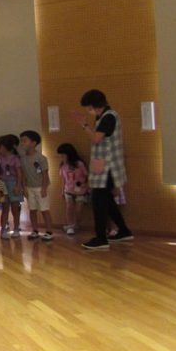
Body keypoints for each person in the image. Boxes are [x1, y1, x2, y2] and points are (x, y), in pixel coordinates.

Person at [77, 89, 134, 250]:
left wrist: (84, 125)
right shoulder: (102, 116)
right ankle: (123, 231)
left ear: (95, 105)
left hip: (108, 164)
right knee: (106, 199)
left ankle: (101, 238)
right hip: (101, 163)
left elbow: (96, 138)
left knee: (98, 201)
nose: (88, 110)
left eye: (89, 107)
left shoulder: (109, 117)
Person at [19, 130, 53, 241]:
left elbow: (45, 174)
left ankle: (49, 231)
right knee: (32, 209)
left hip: (40, 187)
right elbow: (23, 174)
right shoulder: (23, 158)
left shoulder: (41, 158)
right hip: (29, 187)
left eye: (24, 141)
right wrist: (24, 187)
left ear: (33, 143)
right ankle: (35, 230)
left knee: (44, 210)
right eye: (21, 141)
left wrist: (44, 188)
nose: (22, 143)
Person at [0, 135, 24, 237]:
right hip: (2, 184)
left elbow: (19, 173)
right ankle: (3, 230)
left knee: (15, 208)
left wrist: (18, 185)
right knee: (4, 208)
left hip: (13, 183)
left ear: (7, 147)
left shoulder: (15, 159)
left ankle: (16, 229)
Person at [56, 143, 89, 236]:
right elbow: (63, 179)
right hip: (68, 190)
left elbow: (87, 175)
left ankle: (75, 225)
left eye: (63, 155)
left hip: (81, 190)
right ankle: (70, 226)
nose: (61, 157)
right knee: (69, 208)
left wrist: (87, 187)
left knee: (79, 210)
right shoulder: (63, 166)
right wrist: (62, 190)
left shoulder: (79, 164)